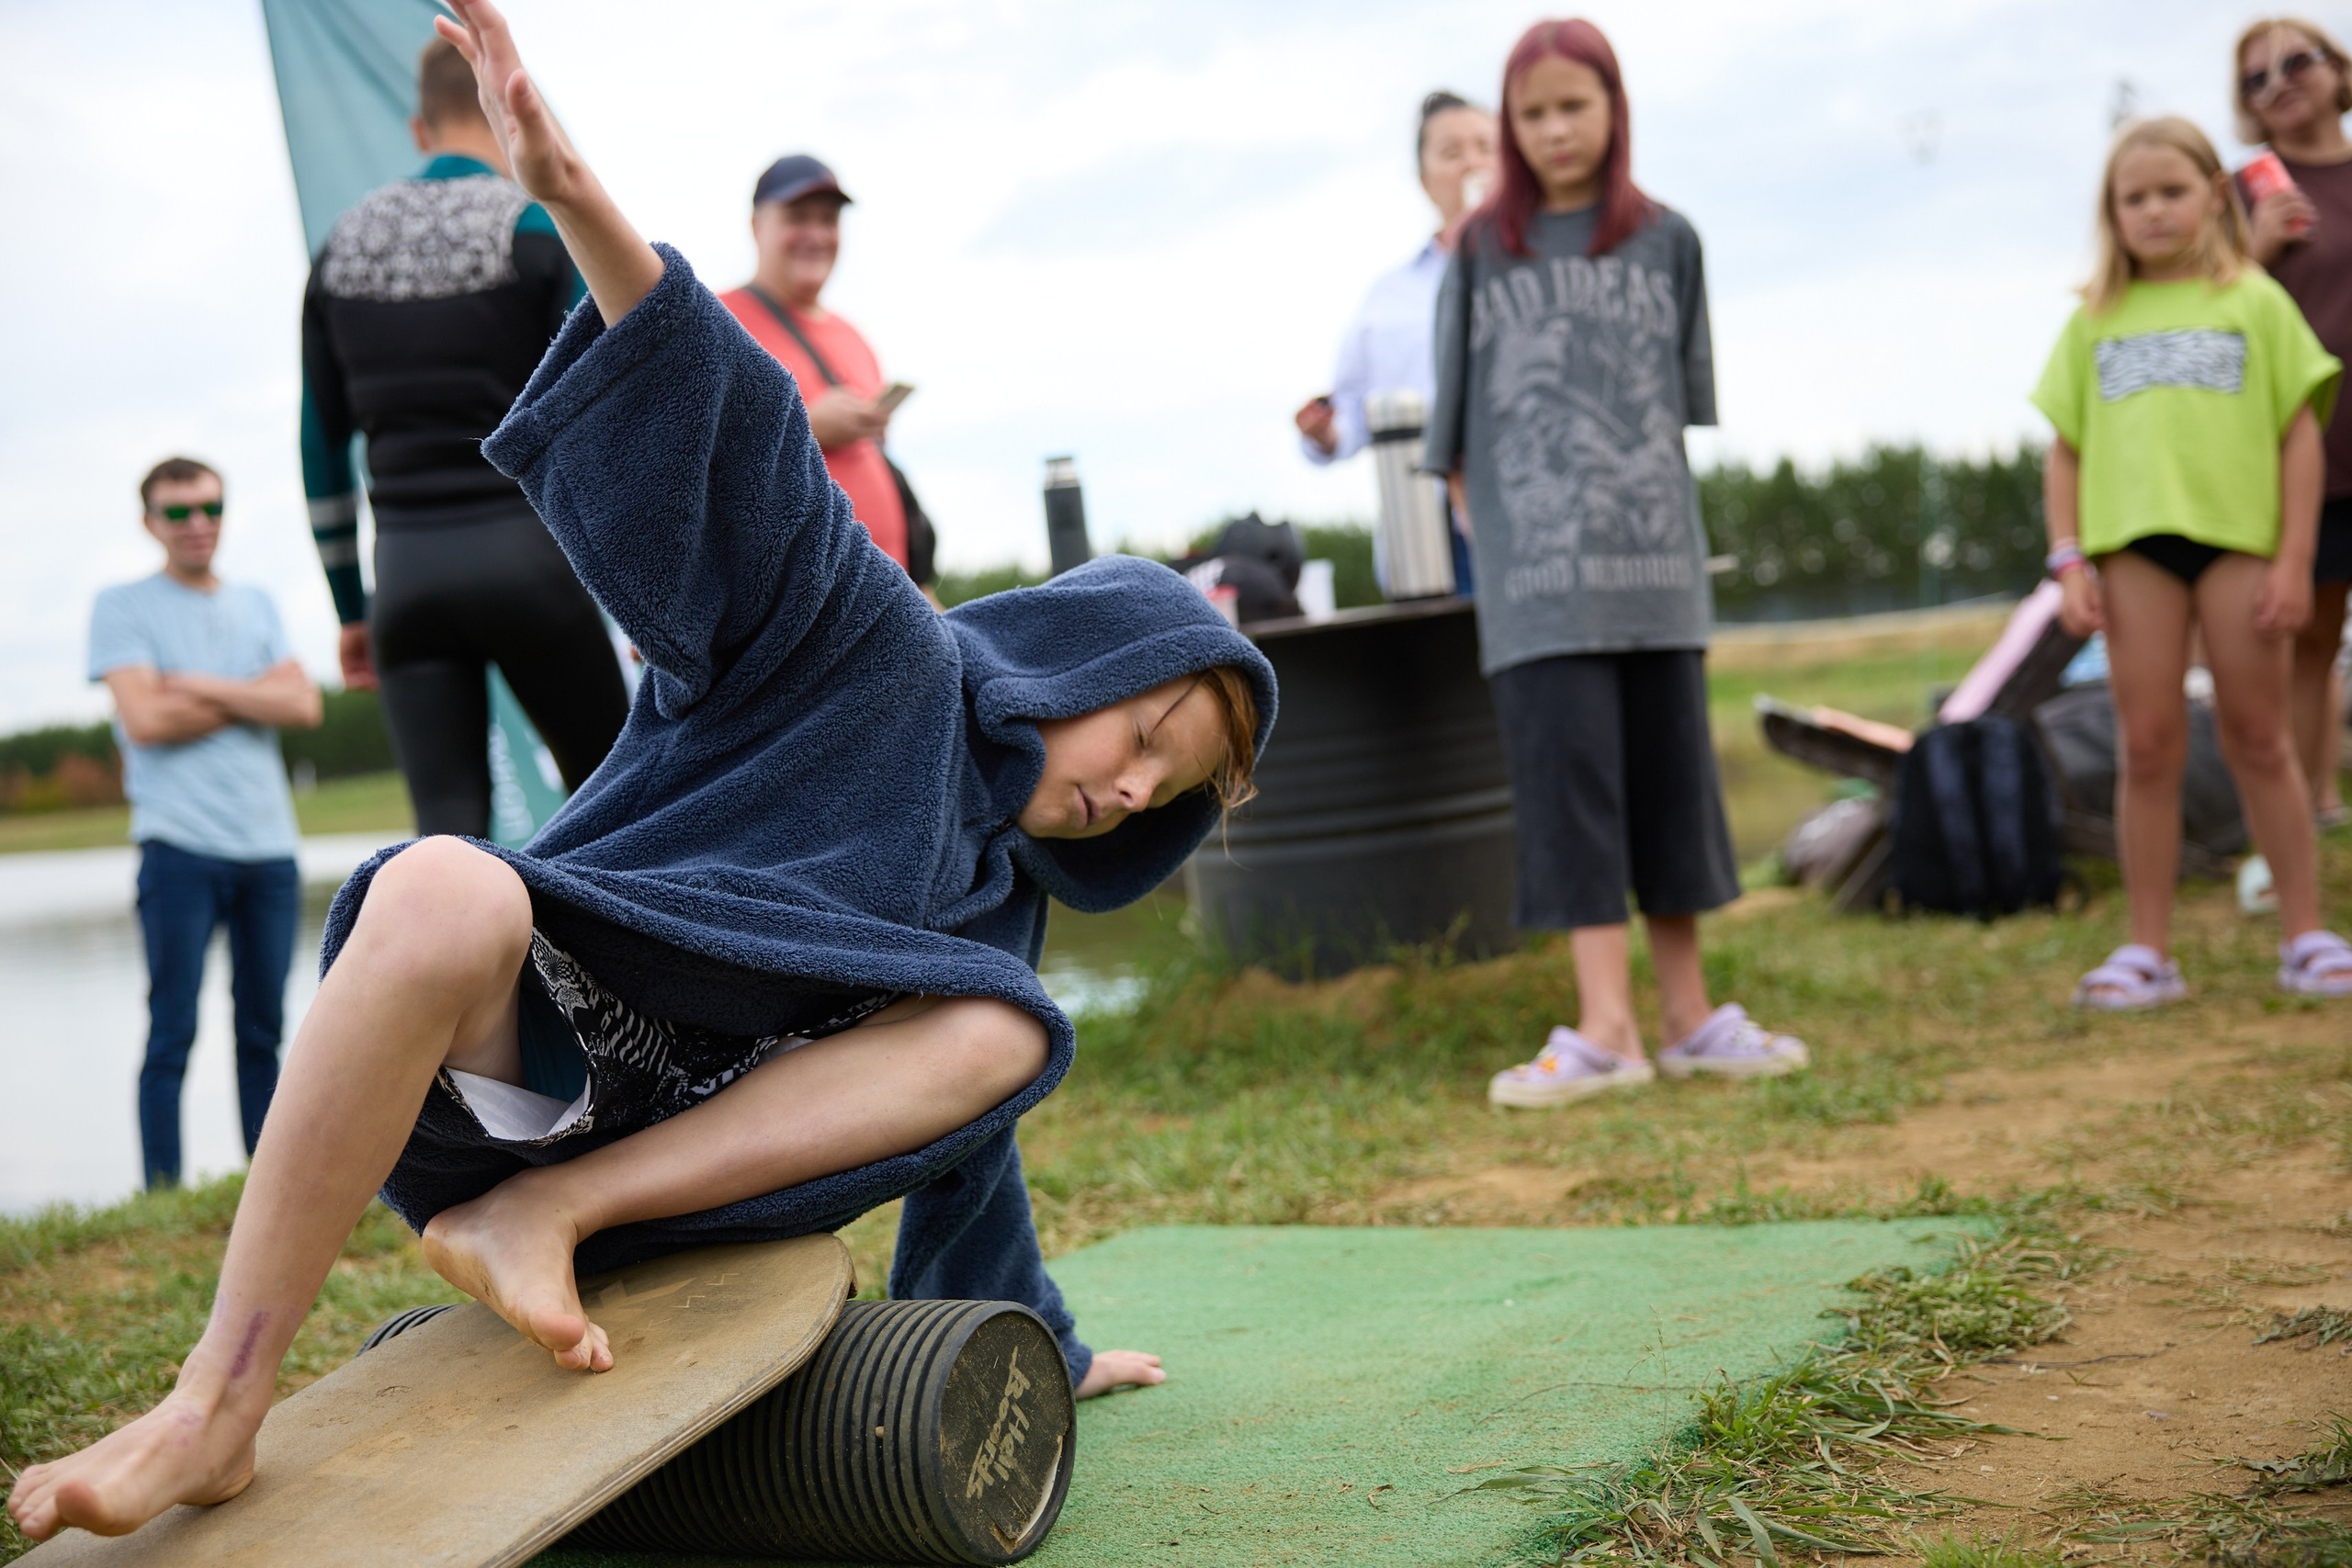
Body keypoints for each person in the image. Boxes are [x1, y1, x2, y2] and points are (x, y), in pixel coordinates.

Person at [6, 1, 1276, 1544]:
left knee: (1009, 1034)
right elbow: (753, 451)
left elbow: (965, 1164)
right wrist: (581, 202)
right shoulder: (879, 649)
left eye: (1170, 795)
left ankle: (553, 1217)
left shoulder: (997, 915)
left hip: (681, 1181)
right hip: (535, 1064)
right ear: (1075, 662)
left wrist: (1036, 1348)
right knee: (437, 878)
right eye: (1142, 735)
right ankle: (217, 1402)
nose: (1133, 790)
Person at [1427, 18, 1808, 1109]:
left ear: (1613, 112)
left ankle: (1690, 1020)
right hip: (1537, 591)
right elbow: (1451, 440)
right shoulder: (1478, 255)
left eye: (1573, 107)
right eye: (1533, 113)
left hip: (1655, 576)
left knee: (1670, 795)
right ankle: (1605, 1030)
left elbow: (1675, 414)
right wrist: (1509, 546)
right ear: (1510, 125)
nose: (1554, 130)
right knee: (1569, 796)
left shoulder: (1669, 241)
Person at [2037, 116, 2352, 1007]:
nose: (2152, 213)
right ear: (2112, 214)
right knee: (2147, 745)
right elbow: (2064, 449)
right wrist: (2067, 562)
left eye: (2170, 193)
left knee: (2257, 736)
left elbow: (2298, 436)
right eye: (2132, 199)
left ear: (2213, 196)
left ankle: (2306, 932)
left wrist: (2294, 559)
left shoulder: (2252, 300)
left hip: (2240, 549)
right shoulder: (2094, 319)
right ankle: (2148, 950)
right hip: (2133, 552)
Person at [301, 36, 628, 837]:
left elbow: (320, 449)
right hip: (533, 566)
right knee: (618, 808)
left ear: (419, 130)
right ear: (508, 115)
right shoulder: (533, 230)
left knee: (445, 835)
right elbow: (607, 415)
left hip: (407, 578)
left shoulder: (339, 252)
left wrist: (353, 610)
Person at [86, 458, 323, 1190]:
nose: (199, 524)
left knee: (263, 1030)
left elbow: (305, 707)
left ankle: (267, 1184)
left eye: (210, 507)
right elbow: (147, 720)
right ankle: (162, 1190)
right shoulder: (121, 605)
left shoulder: (256, 601)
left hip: (269, 848)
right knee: (172, 1030)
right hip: (178, 847)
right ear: (150, 521)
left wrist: (198, 684)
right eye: (179, 511)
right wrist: (256, 693)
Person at [1295, 90, 1496, 595]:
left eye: (1486, 147)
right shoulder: (1388, 299)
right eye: (1451, 153)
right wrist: (1324, 431)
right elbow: (1351, 416)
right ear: (1425, 179)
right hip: (1430, 534)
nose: (1472, 163)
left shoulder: (1544, 269)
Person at [2235, 17, 2352, 828]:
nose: (2278, 81)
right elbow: (2205, 309)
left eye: (2294, 61)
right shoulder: (2245, 193)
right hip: (2313, 446)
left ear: (2338, 70)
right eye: (2254, 78)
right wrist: (2256, 249)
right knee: (2313, 633)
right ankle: (2315, 802)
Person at [718, 157, 919, 576]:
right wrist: (807, 427)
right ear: (757, 226)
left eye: (829, 220)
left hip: (885, 592)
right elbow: (691, 458)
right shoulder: (718, 323)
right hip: (787, 603)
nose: (816, 234)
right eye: (798, 217)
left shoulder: (855, 337)